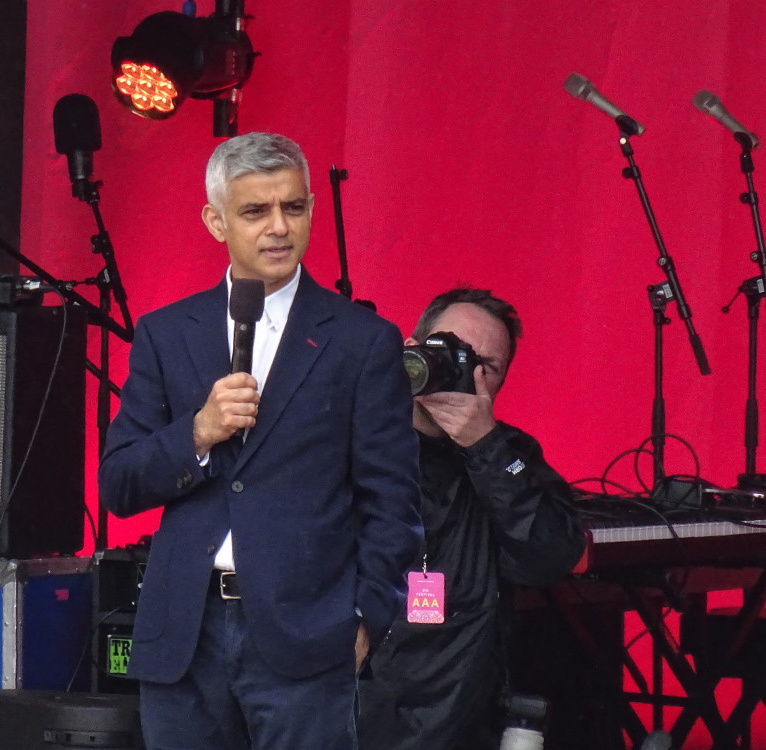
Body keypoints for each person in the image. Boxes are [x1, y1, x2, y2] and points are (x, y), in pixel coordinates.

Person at [99, 132, 423, 750]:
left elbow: (394, 503)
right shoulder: (167, 333)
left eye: (293, 208)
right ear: (215, 221)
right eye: (255, 211)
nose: (279, 228)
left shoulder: (361, 340)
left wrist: (364, 622)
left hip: (308, 635)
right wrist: (197, 431)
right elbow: (118, 483)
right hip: (184, 634)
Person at [357, 287, 585, 750]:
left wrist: (484, 447)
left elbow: (553, 555)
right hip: (351, 708)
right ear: (411, 348)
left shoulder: (508, 453)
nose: (463, 369)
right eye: (450, 349)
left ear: (498, 384)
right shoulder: (351, 433)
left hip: (455, 716)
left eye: (486, 365)